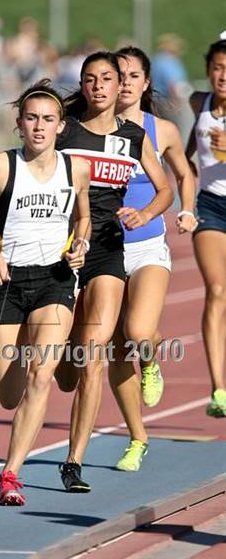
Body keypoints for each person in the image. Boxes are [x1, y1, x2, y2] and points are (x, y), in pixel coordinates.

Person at [0, 80, 91, 505]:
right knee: (10, 396)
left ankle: (11, 474)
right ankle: (43, 346)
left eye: (48, 119)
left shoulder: (75, 168)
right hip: (6, 282)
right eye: (32, 119)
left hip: (56, 279)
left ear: (61, 126)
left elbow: (83, 218)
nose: (40, 127)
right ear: (19, 125)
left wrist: (80, 243)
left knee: (40, 376)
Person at [53, 51, 174, 491]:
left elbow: (165, 189)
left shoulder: (135, 136)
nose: (101, 86)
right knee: (63, 374)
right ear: (83, 86)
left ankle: (73, 462)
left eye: (108, 78)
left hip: (108, 251)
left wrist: (144, 213)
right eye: (92, 79)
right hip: (60, 252)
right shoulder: (63, 131)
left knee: (94, 351)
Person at [107, 46, 197, 472]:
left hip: (146, 246)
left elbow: (184, 173)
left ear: (145, 84)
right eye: (117, 74)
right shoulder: (88, 129)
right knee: (113, 350)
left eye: (132, 75)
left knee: (139, 330)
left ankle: (152, 356)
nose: (124, 82)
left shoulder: (161, 131)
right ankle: (137, 438)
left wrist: (188, 208)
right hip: (103, 251)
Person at [185, 38, 226, 417]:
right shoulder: (199, 103)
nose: (223, 75)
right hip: (211, 207)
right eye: (216, 67)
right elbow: (189, 152)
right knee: (215, 289)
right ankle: (219, 389)